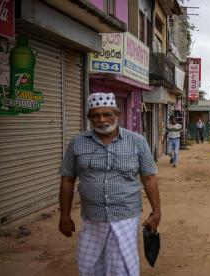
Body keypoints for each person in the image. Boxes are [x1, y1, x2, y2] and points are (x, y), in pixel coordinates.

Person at [58, 92, 161, 276]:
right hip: (92, 217)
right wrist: (64, 215)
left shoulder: (137, 141)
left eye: (107, 114)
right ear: (89, 118)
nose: (102, 119)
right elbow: (67, 179)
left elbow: (149, 178)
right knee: (88, 265)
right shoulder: (77, 143)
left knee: (120, 267)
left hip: (125, 215)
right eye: (95, 115)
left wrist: (156, 211)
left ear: (117, 114)